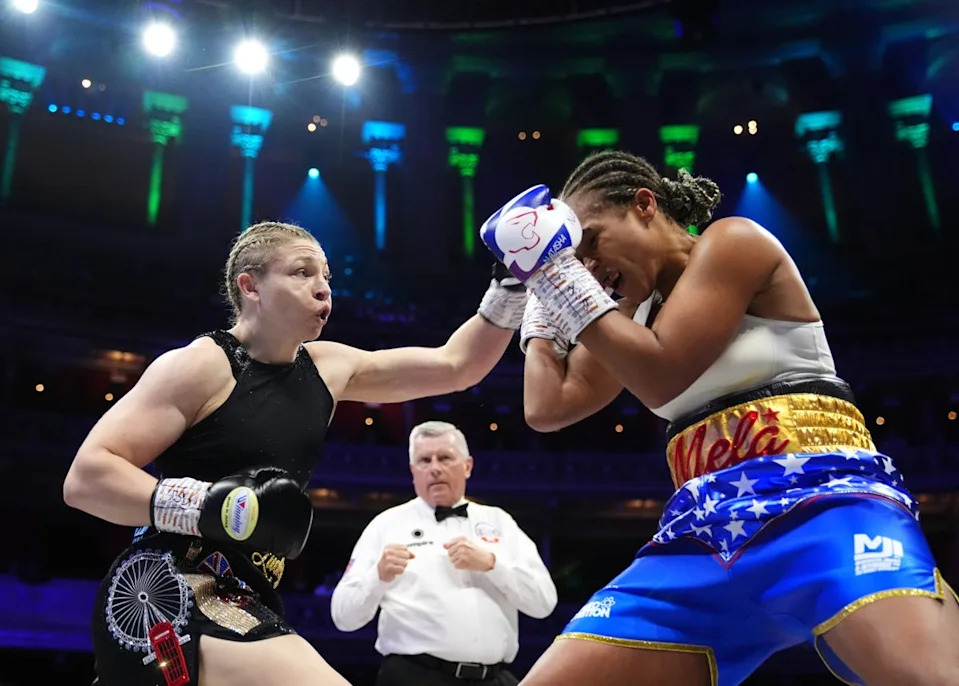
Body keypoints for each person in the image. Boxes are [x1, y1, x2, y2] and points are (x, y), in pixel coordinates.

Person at [479, 152, 959, 686]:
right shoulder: (628, 315)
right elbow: (547, 407)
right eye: (573, 256)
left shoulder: (733, 242)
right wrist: (543, 309)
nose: (587, 266)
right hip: (705, 535)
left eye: (590, 241)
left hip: (824, 505)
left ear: (644, 205)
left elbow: (662, 372)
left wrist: (559, 274)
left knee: (926, 679)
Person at [63, 221, 529, 686]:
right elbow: (86, 477)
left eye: (326, 276)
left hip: (248, 595)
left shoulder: (330, 367)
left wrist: (510, 284)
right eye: (302, 272)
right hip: (166, 589)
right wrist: (211, 507)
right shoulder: (202, 364)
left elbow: (457, 366)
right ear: (250, 287)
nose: (323, 288)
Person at [330, 420, 557, 686]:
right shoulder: (386, 525)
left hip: (492, 678)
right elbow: (343, 617)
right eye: (424, 460)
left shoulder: (500, 522)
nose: (435, 468)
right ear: (413, 471)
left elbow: (544, 603)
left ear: (467, 466)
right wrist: (377, 576)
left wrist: (492, 564)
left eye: (445, 458)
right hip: (414, 678)